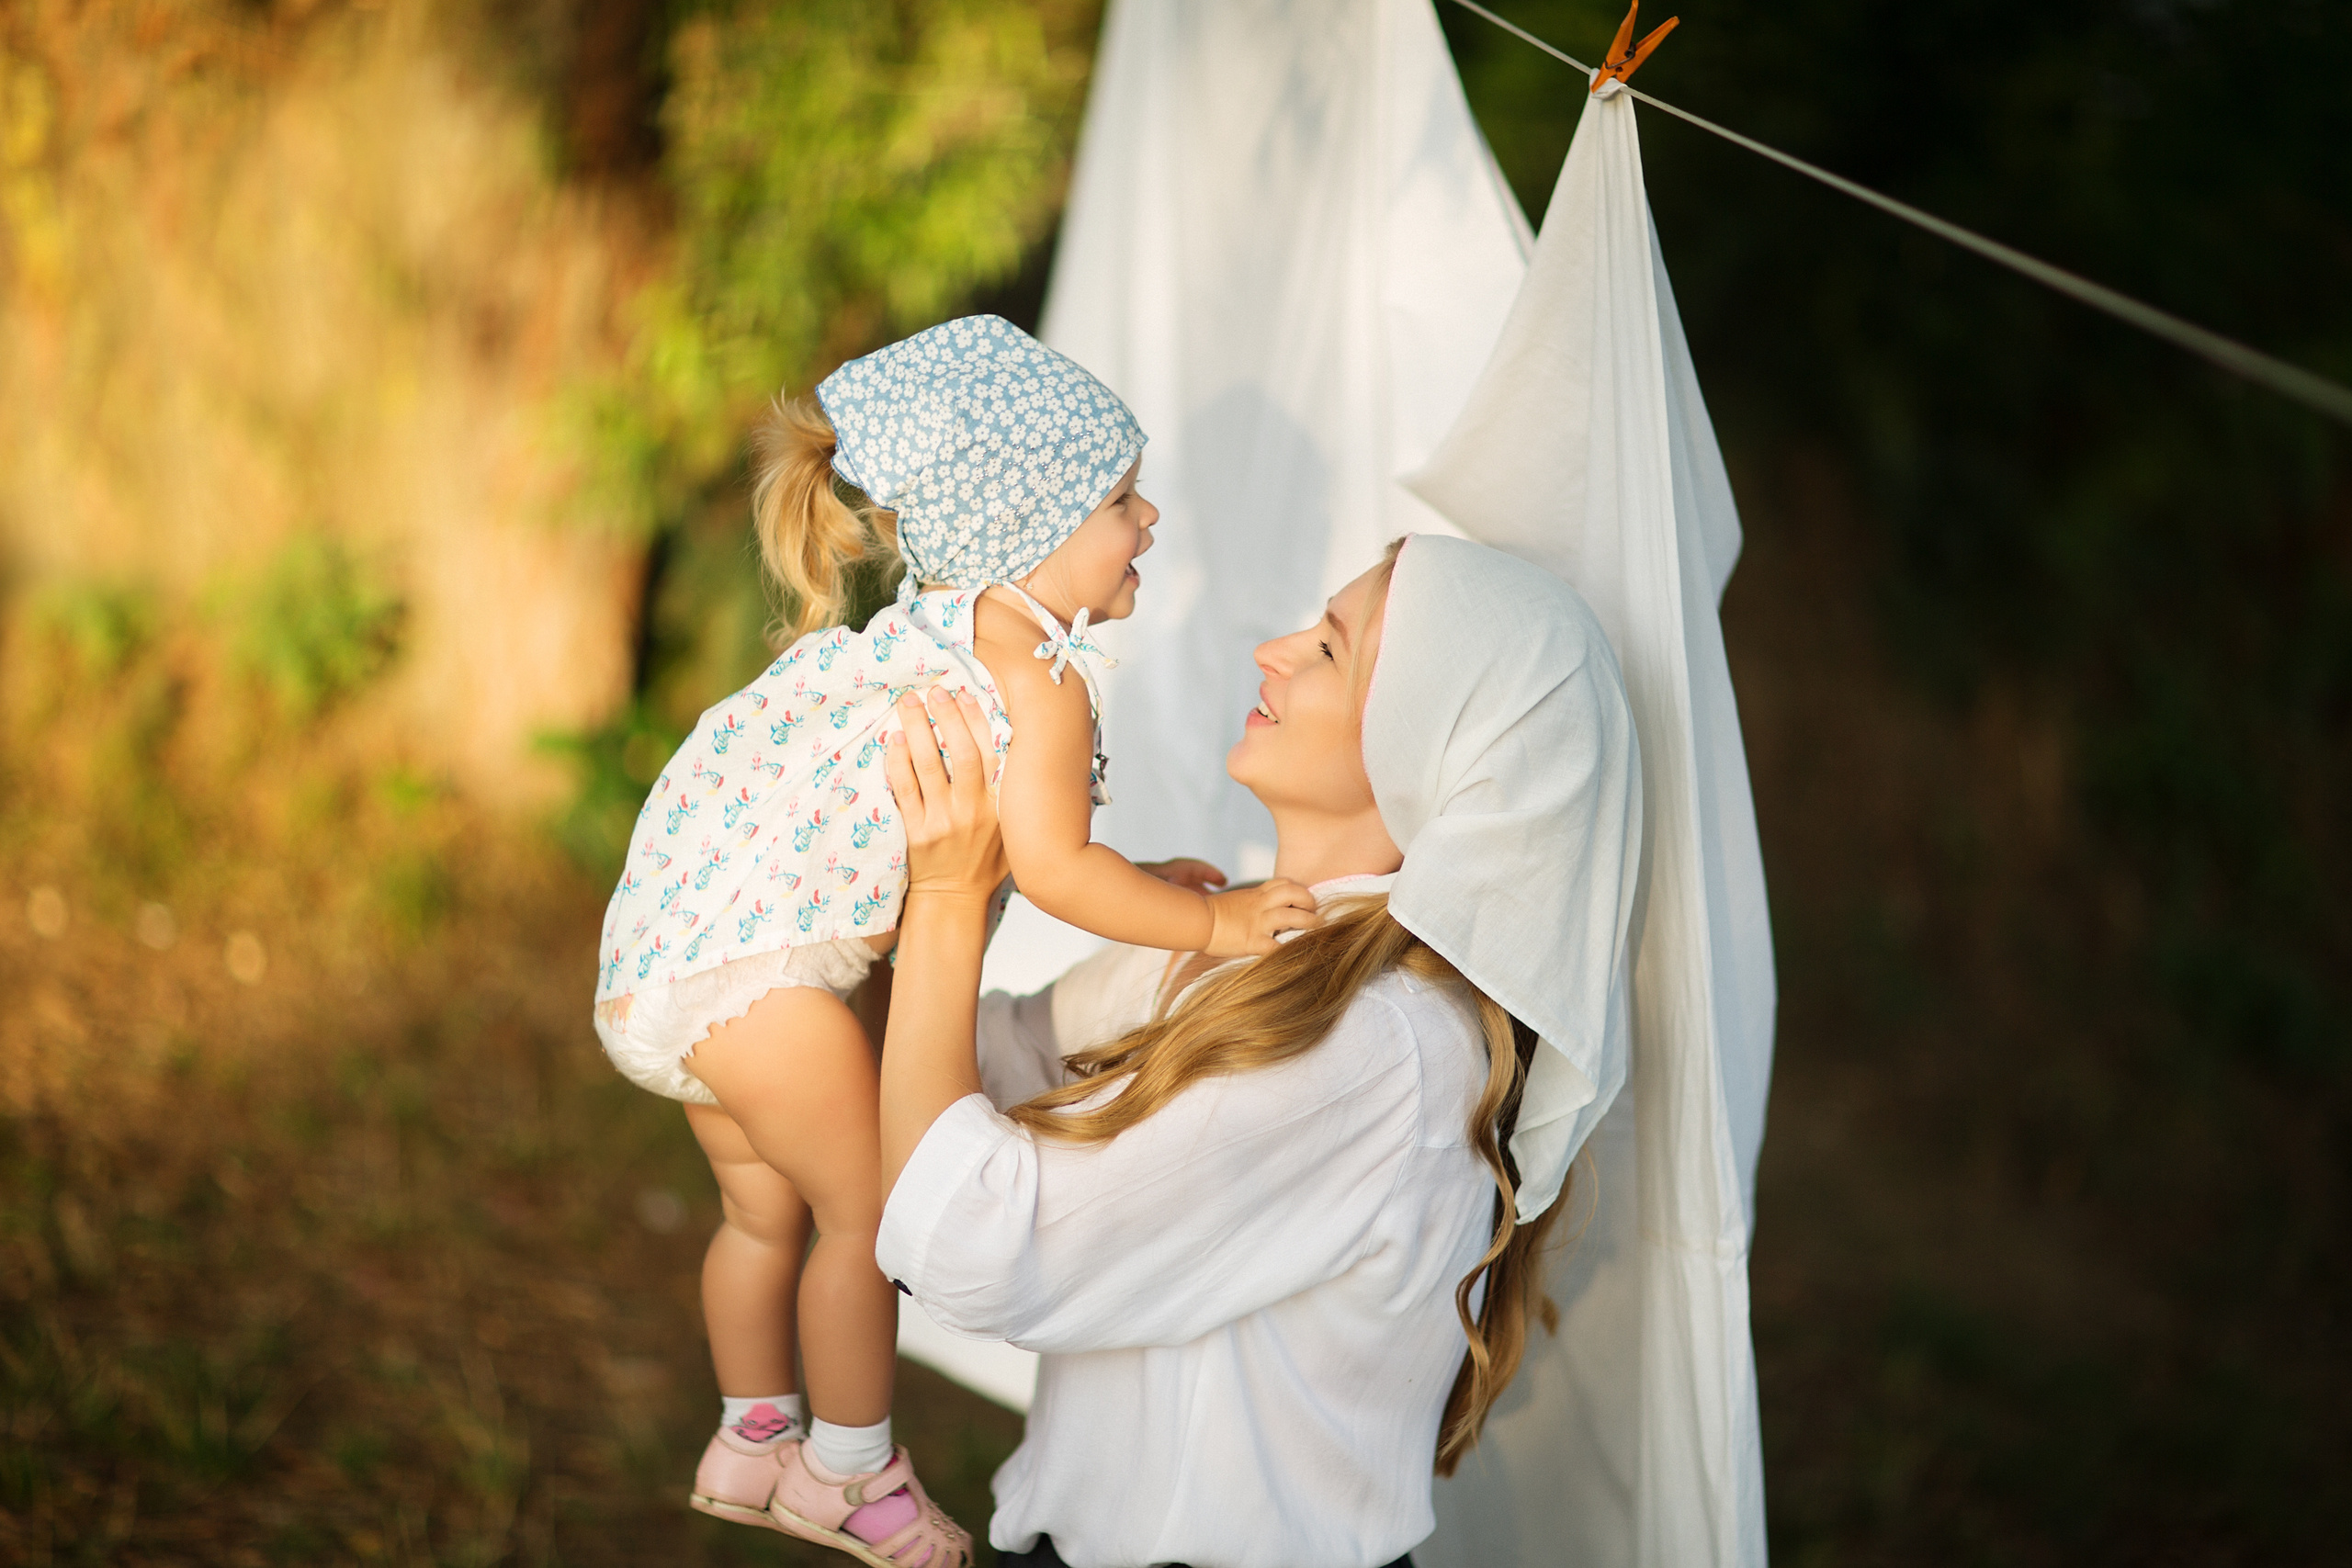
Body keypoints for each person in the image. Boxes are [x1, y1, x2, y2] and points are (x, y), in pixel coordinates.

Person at [590, 315, 1314, 1567]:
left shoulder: (943, 630)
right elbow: (1046, 865)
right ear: (1031, 525)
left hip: (680, 955)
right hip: (766, 975)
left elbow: (1033, 857)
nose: (1148, 523)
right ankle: (848, 1472)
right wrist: (1213, 916)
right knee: (873, 1211)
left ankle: (749, 1434)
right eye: (1121, 500)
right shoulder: (1038, 668)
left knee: (763, 1216)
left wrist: (1127, 875)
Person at [874, 533, 1645, 1568]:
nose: (1272, 652)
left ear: (1428, 742)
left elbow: (969, 1237)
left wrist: (946, 900)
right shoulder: (1239, 952)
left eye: (1329, 649)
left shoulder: (1376, 1047)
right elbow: (953, 1071)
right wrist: (949, 876)